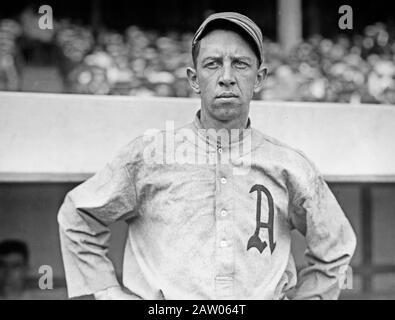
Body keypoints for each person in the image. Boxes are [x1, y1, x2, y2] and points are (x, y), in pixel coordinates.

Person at [58, 12, 356, 300]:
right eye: (213, 64)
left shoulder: (289, 165)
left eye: (240, 64)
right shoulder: (149, 156)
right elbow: (78, 216)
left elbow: (335, 247)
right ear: (194, 79)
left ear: (259, 78)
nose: (226, 77)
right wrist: (109, 293)